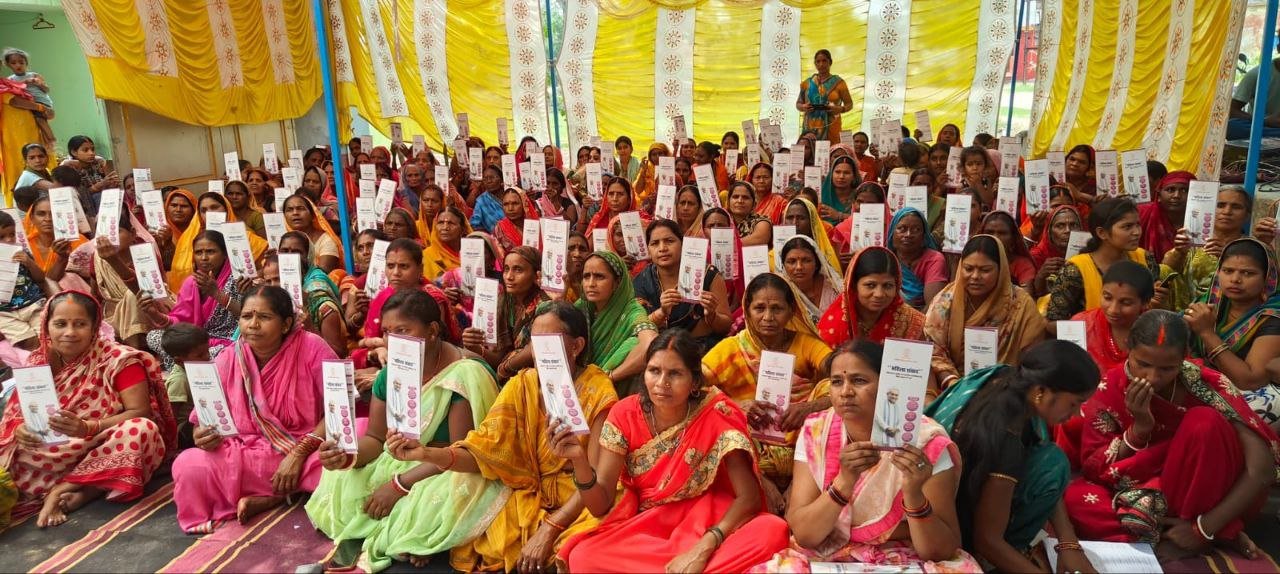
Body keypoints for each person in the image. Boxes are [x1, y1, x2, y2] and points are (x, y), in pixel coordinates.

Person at [384, 302, 619, 572]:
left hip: (580, 499)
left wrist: (551, 527)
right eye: (534, 342)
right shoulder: (522, 384)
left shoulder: (598, 392)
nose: (539, 351)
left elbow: (595, 482)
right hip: (528, 492)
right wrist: (424, 453)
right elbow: (482, 451)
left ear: (576, 346)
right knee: (468, 506)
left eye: (549, 341)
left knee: (584, 545)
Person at [554, 329, 790, 572]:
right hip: (649, 524)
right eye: (654, 371)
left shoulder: (716, 413)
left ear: (695, 381)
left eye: (675, 373)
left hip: (710, 522)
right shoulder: (624, 414)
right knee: (583, 557)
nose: (662, 383)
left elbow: (749, 497)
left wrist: (704, 547)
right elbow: (599, 506)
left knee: (773, 530)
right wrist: (580, 462)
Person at [305, 290, 504, 571]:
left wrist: (400, 485)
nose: (392, 340)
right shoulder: (390, 373)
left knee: (448, 496)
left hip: (447, 466)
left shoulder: (464, 373)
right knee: (342, 475)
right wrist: (347, 455)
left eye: (403, 330)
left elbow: (460, 455)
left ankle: (411, 533)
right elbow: (375, 439)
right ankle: (401, 531)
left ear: (432, 331)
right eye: (387, 332)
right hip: (398, 457)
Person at [1065, 311, 1279, 562]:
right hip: (1137, 487)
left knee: (1205, 421)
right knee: (1074, 500)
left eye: (1167, 368)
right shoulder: (1108, 387)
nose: (1153, 377)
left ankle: (1200, 534)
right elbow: (1094, 466)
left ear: (1184, 356)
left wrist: (1203, 528)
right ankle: (1220, 532)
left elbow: (1261, 468)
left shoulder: (1205, 384)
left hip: (1203, 493)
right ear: (1128, 347)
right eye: (1143, 364)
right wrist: (1139, 430)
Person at [752, 340, 980, 572]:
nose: (846, 392)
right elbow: (805, 534)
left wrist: (913, 495)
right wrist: (844, 482)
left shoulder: (926, 443)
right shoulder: (817, 432)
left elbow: (940, 551)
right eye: (837, 382)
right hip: (828, 554)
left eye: (859, 380)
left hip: (905, 556)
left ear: (887, 384)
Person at [0, 292, 176, 528]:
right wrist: (20, 429)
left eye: (80, 324)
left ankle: (64, 490)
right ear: (46, 326)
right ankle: (91, 486)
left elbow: (140, 412)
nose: (69, 332)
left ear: (94, 328)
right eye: (60, 324)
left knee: (142, 431)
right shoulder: (38, 361)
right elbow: (17, 415)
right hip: (52, 449)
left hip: (102, 441)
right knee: (16, 453)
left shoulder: (119, 360)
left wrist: (88, 427)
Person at [172, 286, 338, 533]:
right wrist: (202, 436)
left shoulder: (312, 347)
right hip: (244, 453)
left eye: (264, 317)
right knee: (187, 464)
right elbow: (202, 421)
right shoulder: (229, 357)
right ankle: (285, 492)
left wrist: (299, 453)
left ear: (285, 324)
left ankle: (276, 496)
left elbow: (339, 407)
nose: (253, 324)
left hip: (304, 449)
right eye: (247, 316)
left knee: (344, 458)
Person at [924, 340, 1098, 573]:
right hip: (953, 530)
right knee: (1053, 464)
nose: (1077, 414)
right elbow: (987, 541)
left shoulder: (1005, 377)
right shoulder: (1007, 440)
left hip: (930, 498)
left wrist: (1068, 542)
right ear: (1040, 392)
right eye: (1074, 404)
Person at [702, 273, 833, 511]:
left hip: (799, 440)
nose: (768, 317)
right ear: (747, 310)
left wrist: (808, 408)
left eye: (777, 309)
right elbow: (694, 385)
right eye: (759, 308)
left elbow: (839, 372)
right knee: (716, 412)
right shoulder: (732, 347)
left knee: (831, 393)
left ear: (791, 311)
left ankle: (800, 480)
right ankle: (759, 481)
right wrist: (736, 406)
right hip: (749, 445)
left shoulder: (805, 344)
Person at [1054, 261, 1155, 468]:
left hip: (1135, 408)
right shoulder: (1080, 325)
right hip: (1084, 405)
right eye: (1107, 297)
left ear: (1145, 303)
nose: (1113, 309)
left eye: (1126, 302)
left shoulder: (1156, 332)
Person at [924, 235, 1047, 390]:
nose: (975, 276)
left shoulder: (1021, 304)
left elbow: (1032, 358)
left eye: (985, 270)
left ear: (1001, 269)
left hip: (1004, 389)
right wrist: (953, 383)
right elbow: (933, 348)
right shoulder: (946, 300)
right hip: (950, 386)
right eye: (968, 269)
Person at [1184, 238, 1280, 425]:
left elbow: (1251, 381)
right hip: (1208, 388)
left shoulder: (1273, 316)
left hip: (1252, 398)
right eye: (1228, 271)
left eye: (1248, 273)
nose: (1235, 279)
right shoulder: (1210, 302)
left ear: (1267, 278)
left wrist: (1207, 333)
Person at [1046, 197, 1159, 322]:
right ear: (1102, 233)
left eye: (1138, 225)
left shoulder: (1145, 258)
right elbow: (1053, 321)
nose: (1137, 232)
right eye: (1127, 227)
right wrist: (1090, 328)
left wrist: (1158, 301)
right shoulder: (1076, 269)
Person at [62, 210, 155, 348]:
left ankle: (135, 349)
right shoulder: (97, 258)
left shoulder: (144, 254)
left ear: (133, 233)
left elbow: (149, 292)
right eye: (104, 235)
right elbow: (95, 295)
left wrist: (114, 261)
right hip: (113, 315)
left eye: (117, 232)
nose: (110, 239)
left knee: (132, 296)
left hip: (148, 311)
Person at [461, 246, 549, 380]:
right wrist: (474, 347)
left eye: (518, 270)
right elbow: (498, 358)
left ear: (536, 274)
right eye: (506, 269)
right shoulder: (504, 302)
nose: (509, 277)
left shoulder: (546, 305)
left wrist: (506, 367)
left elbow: (538, 347)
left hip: (537, 374)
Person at [1161, 185, 1254, 310]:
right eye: (1220, 205)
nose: (1227, 212)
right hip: (1187, 309)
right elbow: (1166, 271)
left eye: (1236, 207)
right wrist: (1179, 251)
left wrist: (1228, 259)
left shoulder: (1252, 248)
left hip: (1229, 310)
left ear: (1247, 215)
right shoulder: (1194, 241)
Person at [575, 251, 658, 390]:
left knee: (633, 343)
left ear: (616, 283)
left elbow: (651, 343)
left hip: (610, 389)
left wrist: (609, 377)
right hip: (578, 384)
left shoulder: (632, 310)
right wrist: (558, 299)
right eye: (586, 276)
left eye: (599, 277)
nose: (591, 283)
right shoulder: (582, 306)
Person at [818, 246, 926, 347]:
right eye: (870, 285)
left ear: (897, 286)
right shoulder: (834, 326)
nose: (879, 294)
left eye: (888, 286)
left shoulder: (910, 321)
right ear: (854, 285)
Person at [277, 232, 346, 357]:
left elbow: (338, 355)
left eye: (297, 252)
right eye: (284, 251)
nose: (290, 257)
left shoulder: (323, 306)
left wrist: (310, 329)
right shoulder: (273, 286)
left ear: (309, 256)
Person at [0, 211, 48, 350]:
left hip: (33, 305)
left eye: (12, 234)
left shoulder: (22, 254)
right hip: (5, 313)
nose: (9, 240)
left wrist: (29, 263)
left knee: (46, 339)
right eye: (1, 237)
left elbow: (40, 278)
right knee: (29, 344)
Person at [886, 207, 949, 309]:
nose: (908, 235)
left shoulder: (934, 259)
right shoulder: (885, 258)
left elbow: (933, 307)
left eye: (916, 229)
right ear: (892, 233)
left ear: (924, 236)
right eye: (902, 229)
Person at [778, 236, 842, 326]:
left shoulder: (835, 288)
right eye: (792, 261)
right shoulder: (781, 292)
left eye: (806, 261)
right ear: (783, 266)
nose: (799, 267)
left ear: (817, 263)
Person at [23, 194, 84, 287]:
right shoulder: (25, 246)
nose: (48, 219)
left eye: (54, 214)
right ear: (32, 218)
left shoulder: (78, 242)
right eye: (41, 214)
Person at [3, 48, 55, 149]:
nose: (18, 65)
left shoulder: (34, 75)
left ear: (26, 63)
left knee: (40, 119)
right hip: (29, 104)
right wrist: (25, 82)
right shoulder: (10, 79)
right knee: (37, 124)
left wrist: (39, 84)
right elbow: (14, 91)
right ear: (8, 65)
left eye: (21, 62)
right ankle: (47, 143)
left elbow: (47, 89)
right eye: (13, 63)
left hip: (41, 101)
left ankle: (52, 139)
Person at [1029, 205, 1083, 299]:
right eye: (1060, 226)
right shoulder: (1036, 256)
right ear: (1049, 231)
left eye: (1073, 225)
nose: (1068, 230)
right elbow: (1032, 296)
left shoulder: (1090, 254)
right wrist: (1041, 275)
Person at [797, 50, 851, 143]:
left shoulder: (839, 83)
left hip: (831, 127)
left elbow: (849, 104)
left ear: (830, 62)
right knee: (810, 150)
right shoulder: (807, 83)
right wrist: (803, 107)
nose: (821, 64)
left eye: (824, 61)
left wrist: (840, 109)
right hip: (810, 127)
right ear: (815, 64)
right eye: (818, 61)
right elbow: (798, 103)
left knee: (831, 150)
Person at [1138, 171, 1191, 265]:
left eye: (1184, 190)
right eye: (1170, 190)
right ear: (1159, 196)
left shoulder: (1208, 220)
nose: (1176, 195)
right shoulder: (1141, 214)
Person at [283, 194, 342, 273]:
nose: (295, 213)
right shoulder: (285, 242)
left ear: (313, 215)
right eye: (289, 210)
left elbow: (322, 273)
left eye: (300, 208)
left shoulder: (326, 241)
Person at [1226, 57, 1280, 140]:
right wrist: (1264, 121)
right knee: (1232, 127)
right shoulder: (1257, 74)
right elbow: (1231, 111)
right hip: (1260, 126)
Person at [980, 211, 1035, 289]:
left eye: (1002, 233)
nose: (995, 237)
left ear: (1013, 238)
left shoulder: (1022, 265)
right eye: (989, 232)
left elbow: (1026, 294)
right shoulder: (973, 260)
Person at [494, 187, 540, 254]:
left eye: (515, 203)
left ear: (524, 204)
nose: (510, 208)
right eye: (506, 204)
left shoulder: (535, 225)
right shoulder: (500, 228)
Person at [726, 181, 773, 247]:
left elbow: (760, 239)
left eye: (745, 197)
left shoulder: (762, 221)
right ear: (728, 202)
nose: (740, 201)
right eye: (735, 197)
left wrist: (723, 245)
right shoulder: (723, 219)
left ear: (754, 204)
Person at [818, 156, 861, 224]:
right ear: (831, 174)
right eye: (837, 172)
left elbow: (867, 220)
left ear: (854, 176)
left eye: (846, 173)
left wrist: (840, 215)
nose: (841, 176)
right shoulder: (820, 195)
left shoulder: (860, 196)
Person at [469, 165, 507, 234]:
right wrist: (490, 236)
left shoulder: (511, 195)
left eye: (492, 177)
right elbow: (474, 224)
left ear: (501, 179)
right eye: (485, 179)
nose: (489, 181)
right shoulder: (481, 201)